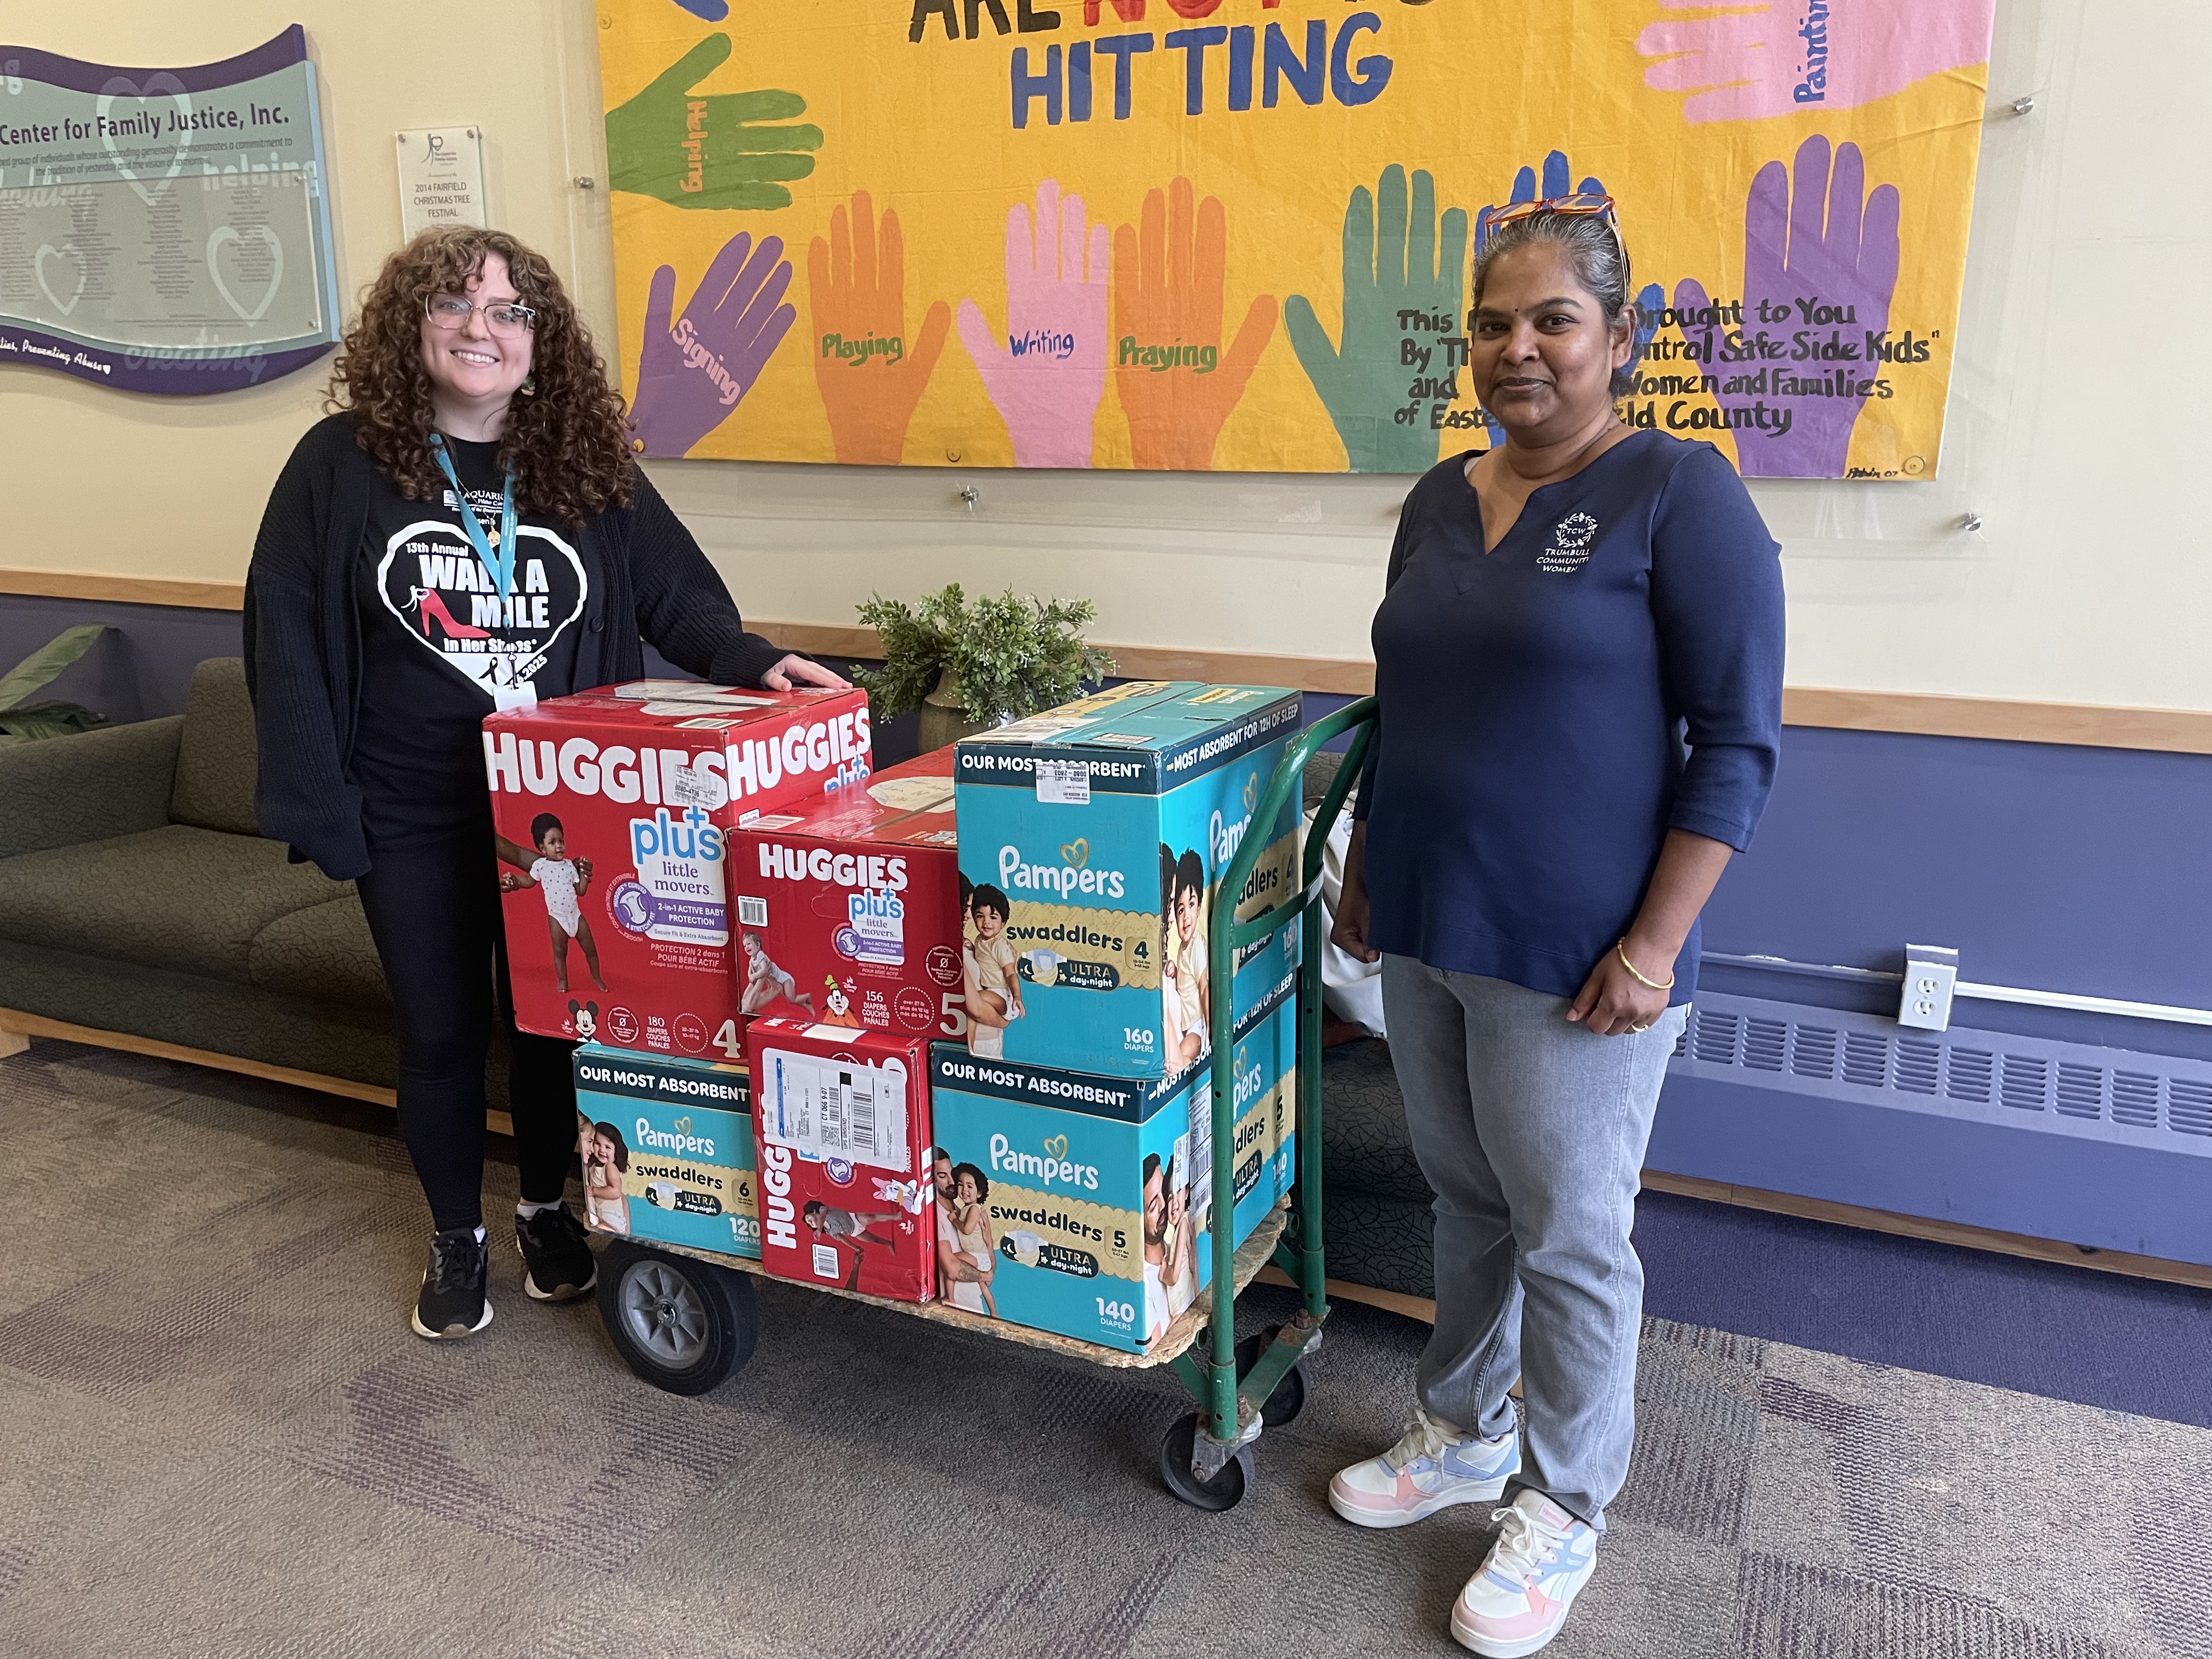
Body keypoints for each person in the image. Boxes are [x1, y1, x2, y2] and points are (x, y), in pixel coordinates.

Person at [244, 225, 848, 1341]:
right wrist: (319, 802)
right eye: (454, 305)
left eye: (508, 311)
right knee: (439, 1029)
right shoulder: (340, 462)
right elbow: (280, 632)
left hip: (560, 807)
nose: (482, 328)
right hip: (410, 807)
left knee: (552, 1025)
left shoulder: (580, 458)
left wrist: (756, 661)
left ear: (539, 339)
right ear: (411, 327)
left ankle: (541, 1206)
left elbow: (675, 595)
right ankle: (455, 1236)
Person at [1324, 198, 1784, 1657]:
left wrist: (1653, 948)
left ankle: (1567, 1502)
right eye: (1493, 323)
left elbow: (1738, 744)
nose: (1517, 348)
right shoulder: (1436, 498)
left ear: (1618, 339)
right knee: (1464, 1201)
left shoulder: (1680, 494)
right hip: (1426, 917)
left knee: (1572, 1237)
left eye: (1552, 320)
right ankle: (1463, 1431)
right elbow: (1404, 704)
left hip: (1580, 956)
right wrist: (1363, 865)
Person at [496, 812, 607, 994]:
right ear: (542, 848)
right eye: (552, 842)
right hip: (557, 918)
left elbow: (581, 891)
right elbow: (529, 881)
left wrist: (584, 875)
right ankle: (563, 980)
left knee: (591, 950)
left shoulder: (569, 866)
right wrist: (516, 882)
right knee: (560, 951)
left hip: (576, 916)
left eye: (561, 841)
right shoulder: (540, 866)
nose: (559, 846)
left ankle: (596, 976)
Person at [963, 884, 1020, 1056]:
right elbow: (985, 961)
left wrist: (1017, 997)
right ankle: (970, 1044)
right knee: (971, 1005)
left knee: (972, 1000)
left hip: (1003, 997)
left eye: (993, 917)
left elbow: (1010, 973)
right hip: (992, 994)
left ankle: (970, 1044)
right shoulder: (980, 940)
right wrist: (972, 948)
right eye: (980, 916)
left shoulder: (1000, 945)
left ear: (1003, 923)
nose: (986, 922)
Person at [944, 1164, 997, 1316]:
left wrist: (954, 1220)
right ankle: (994, 1313)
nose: (964, 1190)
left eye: (970, 1186)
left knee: (949, 1262)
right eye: (960, 1185)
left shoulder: (975, 1209)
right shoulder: (968, 1209)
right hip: (980, 1256)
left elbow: (967, 1230)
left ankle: (950, 1298)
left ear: (979, 1193)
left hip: (977, 1256)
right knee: (983, 1289)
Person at [582, 1122, 630, 1237]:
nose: (602, 1150)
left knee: (602, 1226)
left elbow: (616, 1192)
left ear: (616, 1151)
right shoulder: (593, 1166)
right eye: (597, 1144)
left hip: (612, 1215)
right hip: (603, 1213)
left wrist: (593, 1191)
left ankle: (614, 1229)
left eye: (608, 1147)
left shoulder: (610, 1167)